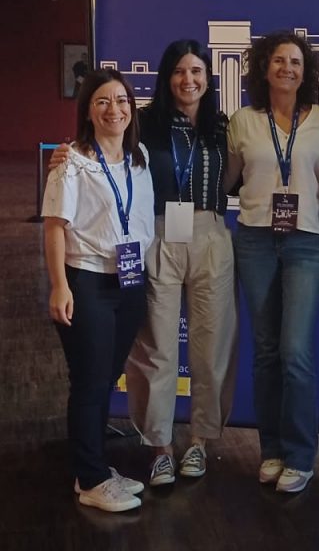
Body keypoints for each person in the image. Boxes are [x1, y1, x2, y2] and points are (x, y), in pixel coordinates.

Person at [225, 31, 319, 494]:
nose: (287, 69)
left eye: (295, 62)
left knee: (295, 350)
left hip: (307, 240)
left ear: (306, 72)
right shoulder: (242, 120)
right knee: (267, 349)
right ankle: (270, 449)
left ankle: (300, 455)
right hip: (254, 239)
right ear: (263, 67)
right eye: (278, 61)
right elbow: (228, 179)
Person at [124, 40, 237, 487]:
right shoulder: (145, 123)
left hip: (210, 233)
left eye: (196, 72)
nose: (188, 80)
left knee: (213, 346)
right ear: (167, 77)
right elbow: (109, 155)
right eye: (179, 71)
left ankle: (200, 442)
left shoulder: (222, 126)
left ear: (208, 79)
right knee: (156, 346)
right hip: (158, 233)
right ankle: (159, 447)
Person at [42, 67, 154, 512]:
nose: (115, 109)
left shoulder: (138, 156)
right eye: (103, 101)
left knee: (105, 378)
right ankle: (89, 479)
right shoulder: (71, 162)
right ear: (88, 111)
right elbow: (54, 228)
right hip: (86, 279)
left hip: (128, 281)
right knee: (89, 382)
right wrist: (58, 286)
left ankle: (95, 468)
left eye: (122, 100)